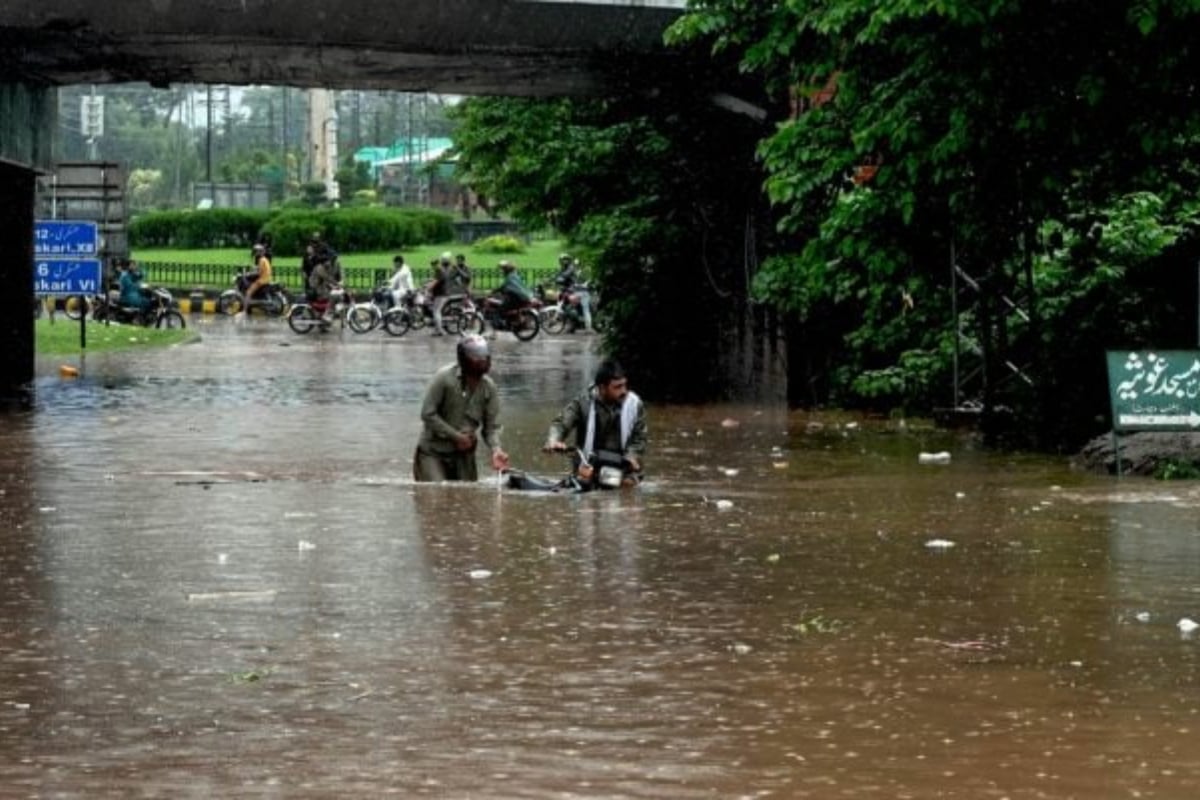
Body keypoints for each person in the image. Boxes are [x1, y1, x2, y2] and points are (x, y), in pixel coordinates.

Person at [414, 334, 510, 482]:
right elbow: (427, 414)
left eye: (484, 356)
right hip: (433, 451)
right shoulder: (444, 378)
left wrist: (496, 450)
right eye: (476, 357)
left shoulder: (489, 388)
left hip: (464, 455)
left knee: (467, 499)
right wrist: (456, 436)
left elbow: (490, 428)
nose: (482, 360)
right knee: (435, 496)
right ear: (464, 359)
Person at [544, 359, 646, 488]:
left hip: (623, 469)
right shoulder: (583, 403)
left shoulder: (634, 405)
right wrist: (554, 440)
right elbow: (561, 424)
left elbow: (639, 439)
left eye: (624, 385)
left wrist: (632, 457)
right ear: (602, 388)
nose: (623, 391)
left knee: (629, 493)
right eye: (617, 387)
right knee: (583, 495)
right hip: (589, 468)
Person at [242, 242, 272, 312]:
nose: (256, 253)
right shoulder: (264, 259)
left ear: (260, 252)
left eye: (257, 251)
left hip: (262, 280)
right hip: (266, 278)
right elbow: (259, 268)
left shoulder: (261, 260)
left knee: (248, 292)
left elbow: (259, 272)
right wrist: (253, 269)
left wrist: (248, 274)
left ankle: (244, 310)